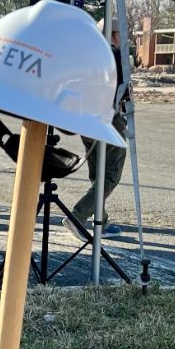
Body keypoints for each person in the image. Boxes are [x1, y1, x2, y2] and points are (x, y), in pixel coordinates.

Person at [71, 26, 129, 236]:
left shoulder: (86, 54)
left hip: (83, 117)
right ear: (114, 34)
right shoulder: (113, 55)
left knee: (98, 173)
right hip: (107, 117)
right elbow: (123, 89)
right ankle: (78, 216)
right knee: (111, 172)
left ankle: (100, 221)